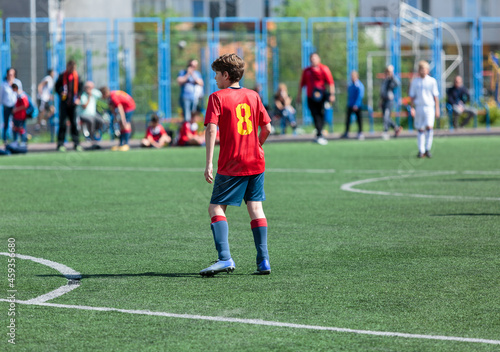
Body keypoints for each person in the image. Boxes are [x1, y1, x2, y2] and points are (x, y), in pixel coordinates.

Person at [201, 53, 272, 277]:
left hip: (233, 162)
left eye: (216, 74)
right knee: (256, 208)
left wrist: (209, 162)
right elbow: (268, 128)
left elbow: (212, 129)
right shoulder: (253, 95)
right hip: (256, 161)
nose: (214, 78)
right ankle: (264, 261)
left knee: (216, 208)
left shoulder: (217, 97)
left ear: (225, 75)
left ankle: (224, 258)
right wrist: (257, 145)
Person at [297, 53, 335, 145]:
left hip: (322, 96)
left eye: (315, 58)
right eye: (311, 58)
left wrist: (332, 94)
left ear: (319, 59)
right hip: (310, 96)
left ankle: (320, 134)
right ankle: (319, 134)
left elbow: (330, 82)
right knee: (314, 114)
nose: (313, 60)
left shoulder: (324, 69)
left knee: (321, 114)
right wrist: (298, 96)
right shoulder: (307, 71)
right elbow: (302, 84)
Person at [409, 60, 440, 158]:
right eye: (420, 69)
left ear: (427, 70)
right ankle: (421, 150)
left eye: (424, 69)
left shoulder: (432, 81)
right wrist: (412, 108)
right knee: (420, 128)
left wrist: (437, 109)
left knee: (429, 127)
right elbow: (412, 96)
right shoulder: (415, 82)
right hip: (419, 107)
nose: (422, 71)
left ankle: (427, 148)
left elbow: (435, 96)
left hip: (429, 107)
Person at [55, 60, 82, 152]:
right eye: (70, 67)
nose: (72, 69)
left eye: (73, 67)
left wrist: (78, 98)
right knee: (62, 124)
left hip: (73, 105)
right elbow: (56, 87)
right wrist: (60, 92)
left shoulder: (77, 77)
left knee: (74, 124)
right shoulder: (62, 76)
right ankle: (60, 144)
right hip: (64, 104)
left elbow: (80, 89)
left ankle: (76, 144)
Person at [100, 87, 136, 151]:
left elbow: (120, 107)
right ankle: (121, 144)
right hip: (125, 108)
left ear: (105, 93)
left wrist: (123, 119)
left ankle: (127, 144)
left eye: (102, 95)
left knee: (125, 124)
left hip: (129, 107)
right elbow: (112, 108)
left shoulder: (113, 97)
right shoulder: (110, 98)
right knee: (121, 125)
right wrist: (116, 117)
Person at [78, 81, 105, 149]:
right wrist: (89, 97)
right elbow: (84, 106)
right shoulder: (83, 95)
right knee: (91, 120)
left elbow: (101, 95)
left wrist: (92, 91)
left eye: (89, 87)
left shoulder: (93, 93)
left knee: (101, 120)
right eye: (87, 87)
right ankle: (91, 137)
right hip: (84, 115)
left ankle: (96, 133)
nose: (88, 89)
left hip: (93, 114)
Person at [1, 68, 23, 145]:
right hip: (7, 106)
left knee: (16, 124)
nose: (10, 76)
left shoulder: (17, 83)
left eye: (12, 74)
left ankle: (16, 140)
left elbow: (20, 93)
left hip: (15, 107)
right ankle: (5, 140)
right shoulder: (3, 84)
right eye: (9, 74)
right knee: (6, 124)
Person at [380, 65, 403, 139]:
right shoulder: (385, 80)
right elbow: (382, 91)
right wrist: (381, 100)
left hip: (389, 101)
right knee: (386, 117)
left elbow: (397, 83)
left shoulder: (391, 80)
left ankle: (386, 131)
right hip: (384, 100)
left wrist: (392, 76)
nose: (387, 73)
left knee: (386, 116)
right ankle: (396, 128)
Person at [342, 71, 365, 140]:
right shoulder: (350, 85)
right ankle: (346, 132)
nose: (352, 77)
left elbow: (360, 96)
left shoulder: (359, 85)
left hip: (357, 105)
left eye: (354, 76)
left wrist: (356, 104)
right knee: (348, 119)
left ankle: (360, 132)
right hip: (350, 104)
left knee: (359, 119)